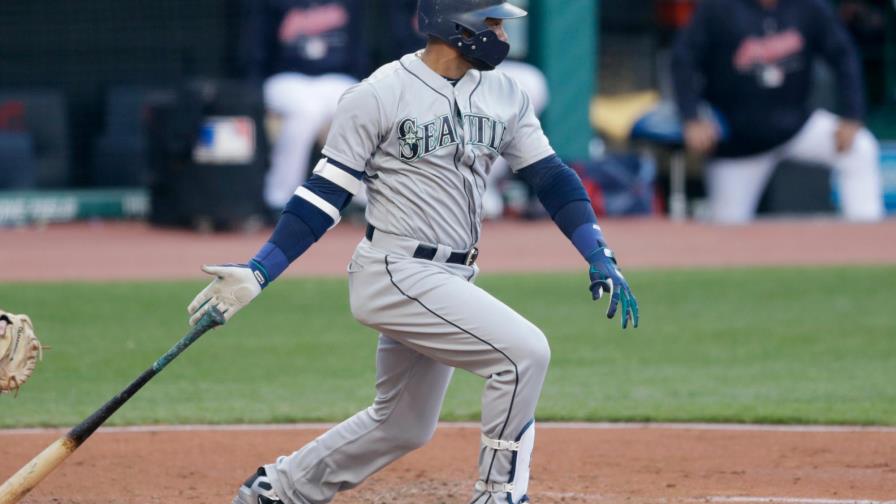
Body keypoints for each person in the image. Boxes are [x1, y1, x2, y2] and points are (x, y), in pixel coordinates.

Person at [189, 1, 639, 503]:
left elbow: (552, 178)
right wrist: (261, 269)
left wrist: (596, 250)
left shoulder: (504, 92)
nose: (501, 33)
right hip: (395, 272)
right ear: (455, 23)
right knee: (523, 354)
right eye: (491, 22)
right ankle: (498, 494)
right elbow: (323, 195)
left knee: (403, 424)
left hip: (452, 276)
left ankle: (279, 489)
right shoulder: (378, 93)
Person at [671, 0, 885, 224]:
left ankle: (866, 238)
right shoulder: (718, 7)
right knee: (726, 231)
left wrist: (852, 115)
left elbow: (844, 55)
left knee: (860, 147)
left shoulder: (809, 7)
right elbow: (682, 60)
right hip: (738, 143)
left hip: (797, 126)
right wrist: (691, 117)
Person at [240, 0, 367, 211]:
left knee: (355, 108)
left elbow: (357, 49)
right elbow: (257, 50)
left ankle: (363, 199)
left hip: (336, 78)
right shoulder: (271, 5)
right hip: (286, 78)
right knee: (307, 111)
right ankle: (280, 198)